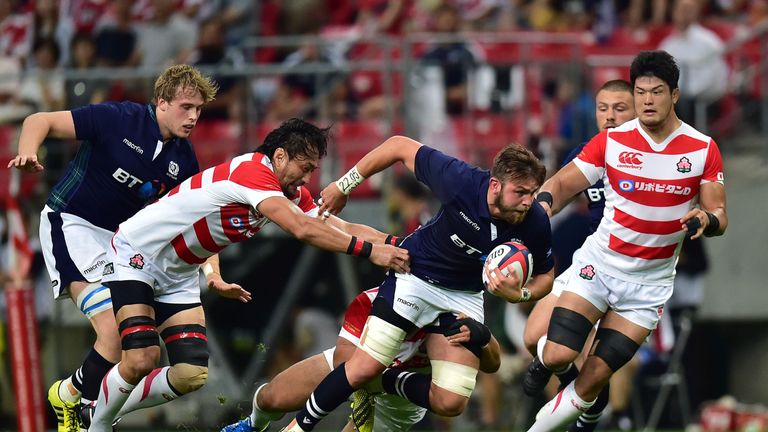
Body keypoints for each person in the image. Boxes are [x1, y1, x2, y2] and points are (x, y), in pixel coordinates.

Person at [86, 118, 409, 431]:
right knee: (142, 359)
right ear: (279, 156)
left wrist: (401, 245)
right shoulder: (253, 173)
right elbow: (301, 228)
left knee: (191, 374)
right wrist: (370, 253)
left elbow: (343, 227)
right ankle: (96, 424)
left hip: (180, 272)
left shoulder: (290, 193)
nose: (308, 178)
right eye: (306, 167)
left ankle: (98, 409)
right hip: (139, 253)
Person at [277, 137, 555, 432]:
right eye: (521, 192)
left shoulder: (534, 220)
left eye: (533, 192)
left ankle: (380, 381)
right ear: (495, 185)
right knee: (361, 367)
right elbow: (398, 145)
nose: (528, 200)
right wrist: (343, 185)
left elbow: (546, 277)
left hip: (464, 296)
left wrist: (521, 294)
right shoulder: (460, 180)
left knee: (451, 401)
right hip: (415, 276)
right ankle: (296, 428)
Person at [7, 64, 220, 432]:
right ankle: (82, 406)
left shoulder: (184, 160)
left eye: (199, 110)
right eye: (186, 107)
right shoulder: (117, 118)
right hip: (72, 225)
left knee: (145, 354)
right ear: (161, 102)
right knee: (113, 334)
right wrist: (28, 152)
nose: (193, 117)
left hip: (122, 246)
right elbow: (39, 120)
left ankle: (74, 397)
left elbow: (197, 224)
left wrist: (212, 272)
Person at [523, 50, 728, 432]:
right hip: (599, 268)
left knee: (592, 380)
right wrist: (545, 204)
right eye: (641, 92)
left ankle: (569, 421)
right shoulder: (611, 142)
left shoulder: (702, 148)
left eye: (657, 92)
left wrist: (707, 218)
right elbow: (565, 181)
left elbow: (719, 213)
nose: (648, 100)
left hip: (648, 289)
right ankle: (551, 369)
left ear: (675, 95)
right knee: (555, 354)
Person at [220, 287, 503, 432]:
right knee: (273, 397)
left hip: (400, 402)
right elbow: (346, 361)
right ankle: (252, 425)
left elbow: (492, 365)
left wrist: (484, 337)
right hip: (357, 366)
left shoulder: (453, 315)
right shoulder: (371, 300)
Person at [522, 79, 637, 432]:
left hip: (632, 273)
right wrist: (530, 218)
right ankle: (588, 398)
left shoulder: (651, 159)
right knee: (532, 338)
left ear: (639, 111)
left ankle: (596, 412)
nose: (610, 117)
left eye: (620, 109)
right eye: (604, 109)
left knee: (586, 359)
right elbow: (557, 189)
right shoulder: (587, 153)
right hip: (591, 262)